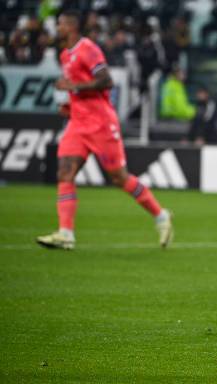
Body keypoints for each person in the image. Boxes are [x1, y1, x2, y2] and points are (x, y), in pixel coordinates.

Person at [36, 10, 173, 250]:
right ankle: (66, 233)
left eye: (60, 24)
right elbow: (76, 90)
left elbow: (106, 80)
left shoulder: (88, 48)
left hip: (101, 123)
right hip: (78, 123)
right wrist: (69, 105)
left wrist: (75, 87)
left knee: (119, 178)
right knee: (65, 173)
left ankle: (161, 216)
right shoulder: (64, 55)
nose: (57, 29)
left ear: (71, 26)